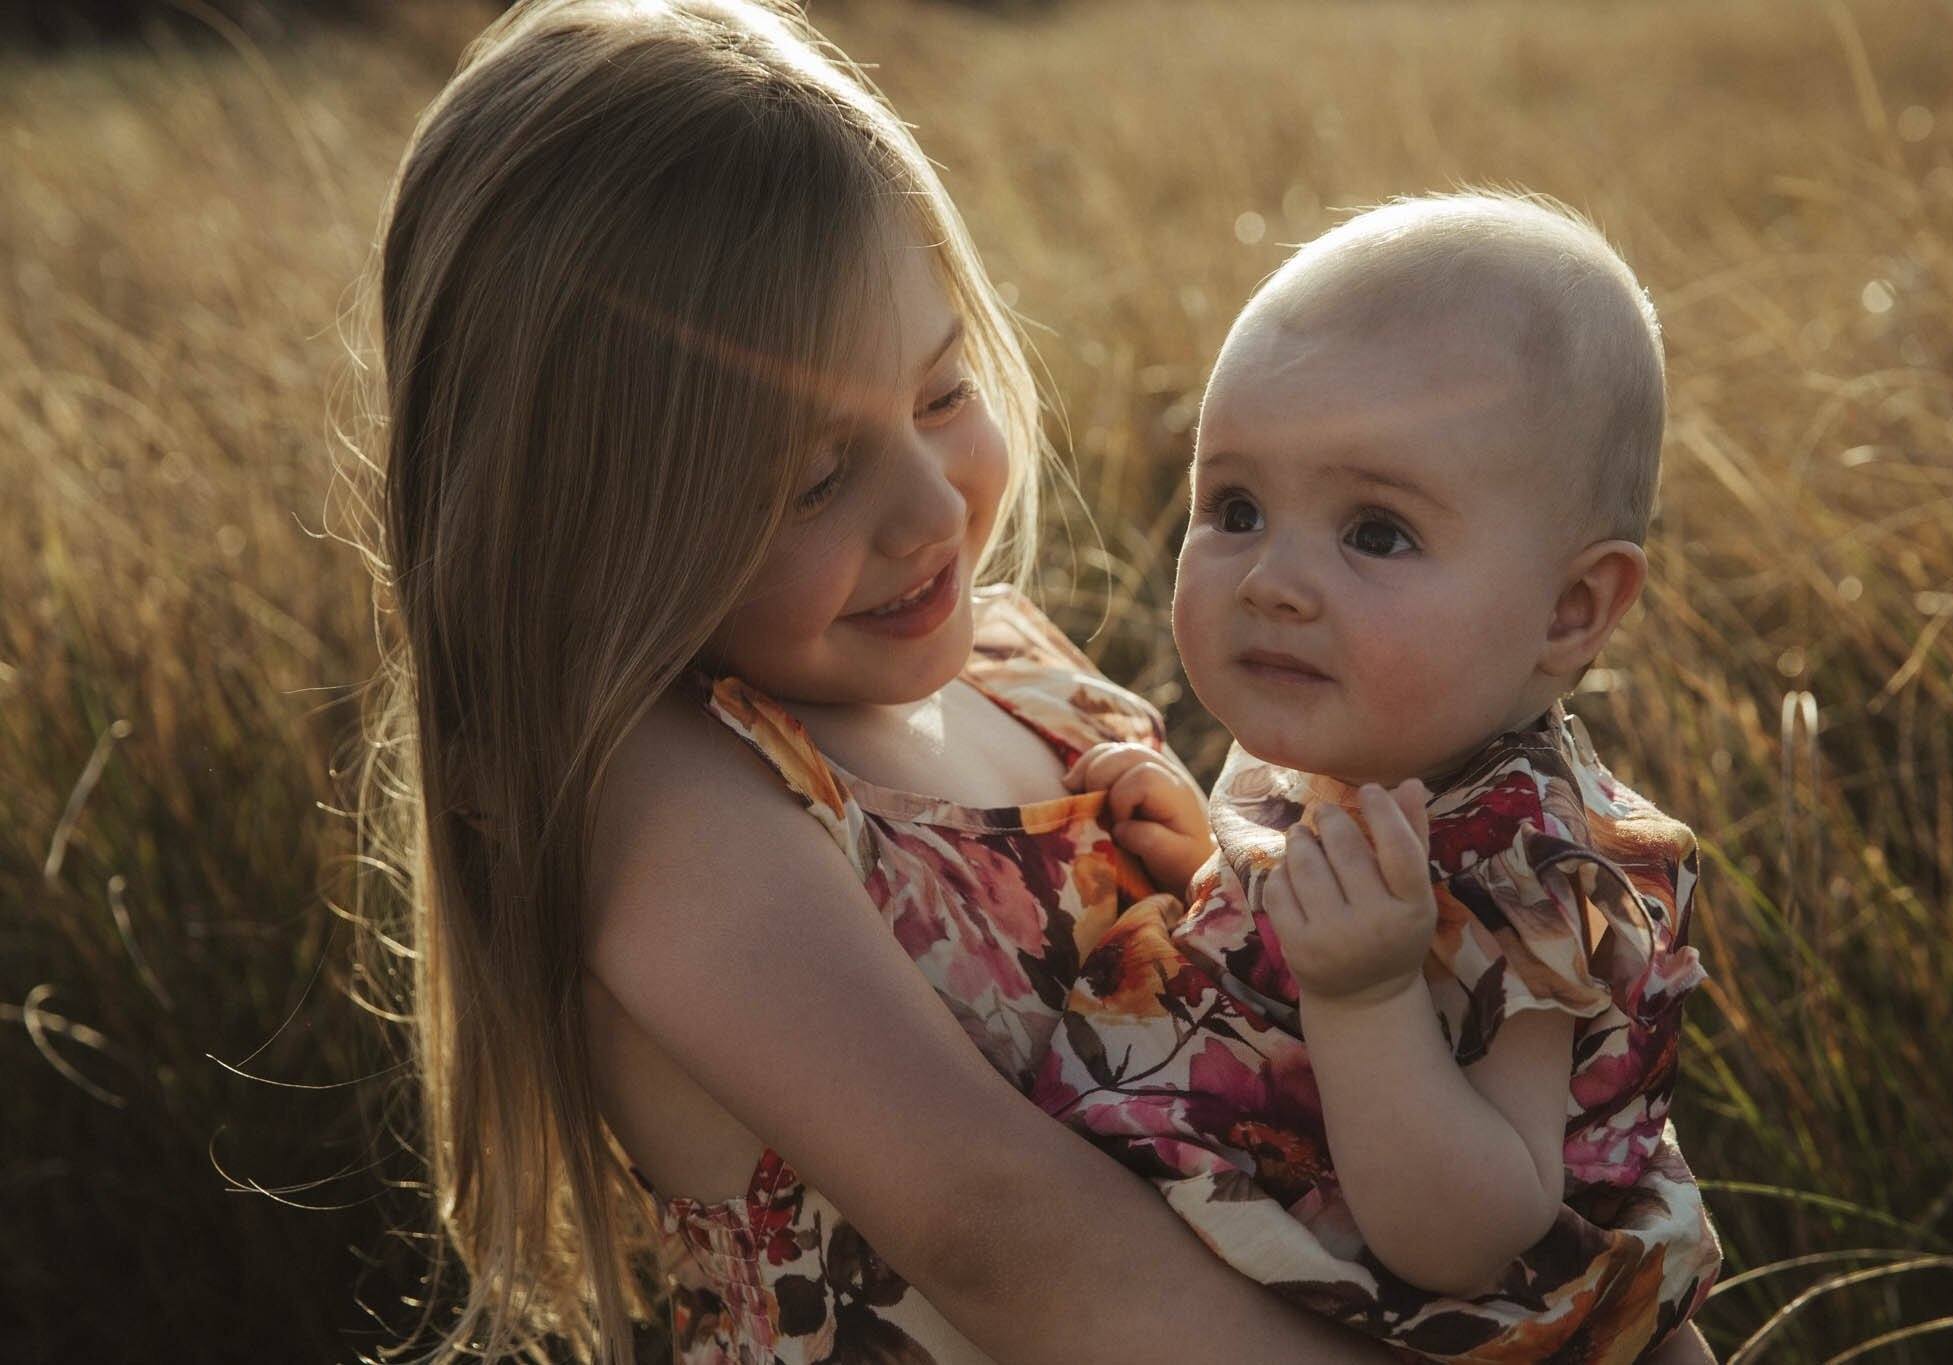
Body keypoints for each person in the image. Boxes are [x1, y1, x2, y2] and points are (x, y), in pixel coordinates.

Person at [350, 1, 1413, 1361]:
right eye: (808, 478)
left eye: (939, 393)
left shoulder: (1025, 674)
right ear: (589, 525)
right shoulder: (670, 803)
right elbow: (1001, 1230)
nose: (929, 510)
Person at [1038, 192, 1723, 1362]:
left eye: (1375, 532)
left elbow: (1474, 1231)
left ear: (1568, 611)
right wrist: (1217, 858)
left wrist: (1364, 999)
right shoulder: (1352, 739)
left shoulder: (1522, 871)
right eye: (1235, 508)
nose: (1272, 580)